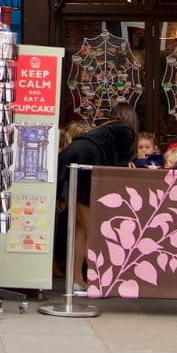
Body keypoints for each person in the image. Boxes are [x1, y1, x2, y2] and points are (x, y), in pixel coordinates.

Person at [56, 102, 136, 290]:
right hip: (84, 166)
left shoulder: (106, 128)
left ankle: (76, 279)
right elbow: (120, 166)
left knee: (80, 228)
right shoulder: (126, 131)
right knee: (92, 229)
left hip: (72, 162)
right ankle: (100, 280)